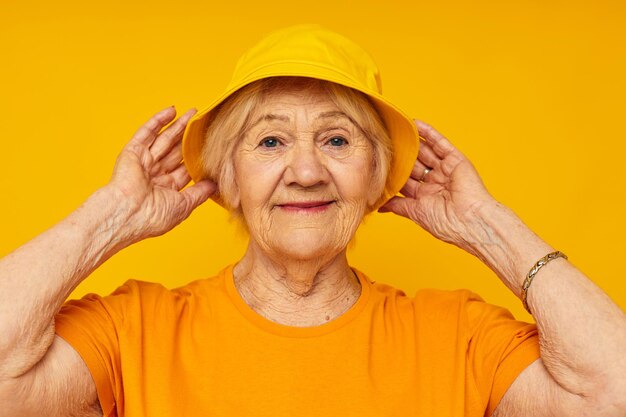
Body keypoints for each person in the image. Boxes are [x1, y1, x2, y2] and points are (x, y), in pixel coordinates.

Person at [0, 24, 624, 417]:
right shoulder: (134, 330)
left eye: (337, 140)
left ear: (379, 177)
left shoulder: (457, 337)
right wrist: (108, 219)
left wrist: (487, 226)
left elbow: (613, 393)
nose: (305, 171)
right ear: (229, 179)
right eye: (270, 142)